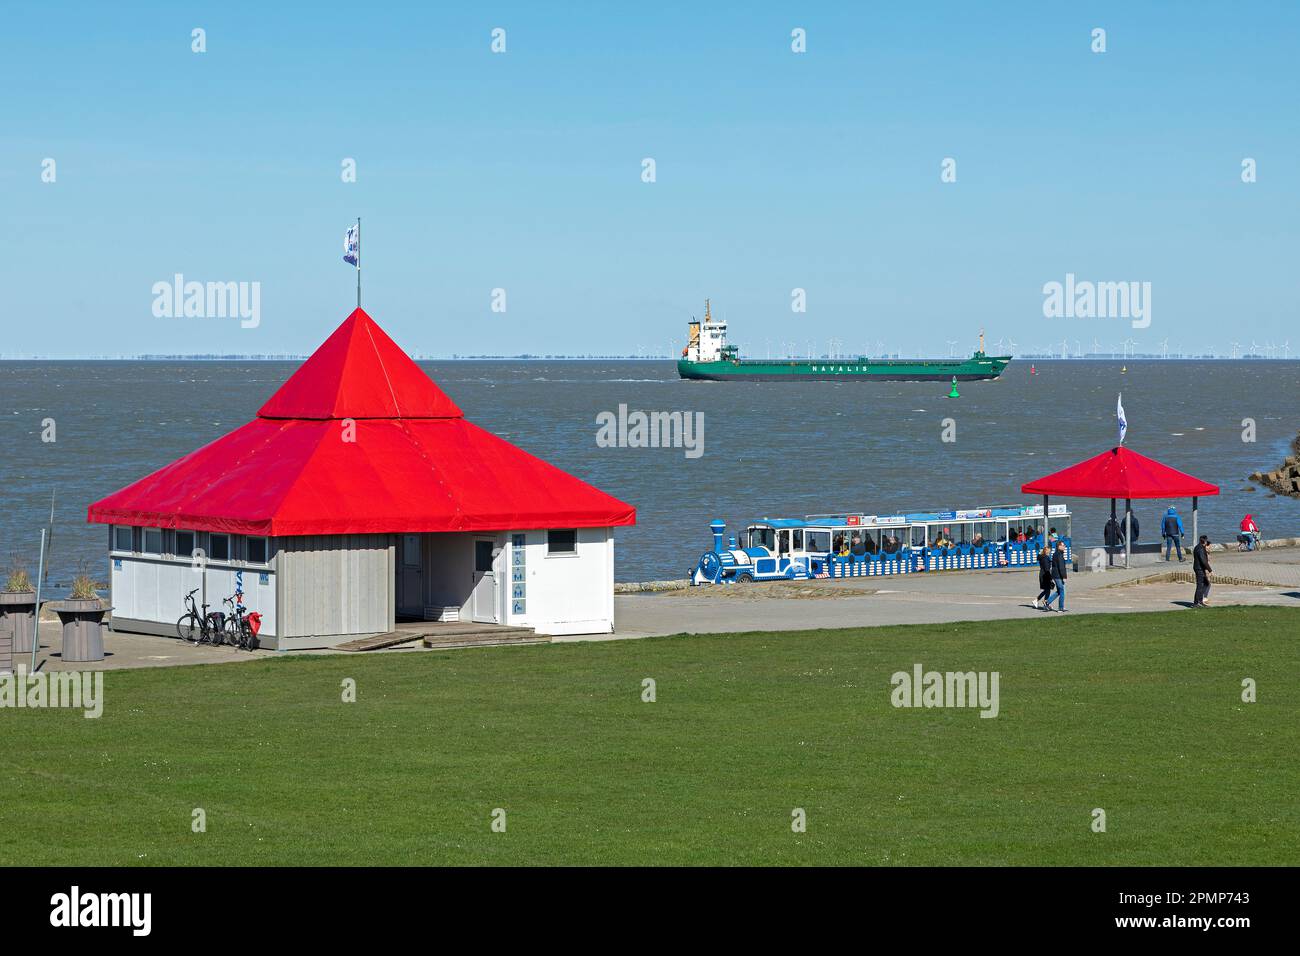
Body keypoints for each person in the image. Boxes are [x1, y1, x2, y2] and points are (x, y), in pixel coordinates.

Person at [1192, 535, 1213, 606]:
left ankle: (1200, 601)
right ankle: (1196, 603)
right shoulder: (1200, 549)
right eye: (1206, 540)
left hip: (1199, 568)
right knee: (1200, 585)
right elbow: (1203, 561)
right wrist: (1210, 570)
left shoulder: (1198, 547)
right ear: (1204, 541)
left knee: (1206, 583)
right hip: (1199, 569)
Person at [1050, 539, 1069, 611]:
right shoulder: (1059, 555)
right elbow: (1061, 567)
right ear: (1059, 546)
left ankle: (1047, 602)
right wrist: (1064, 576)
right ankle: (1061, 607)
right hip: (1058, 575)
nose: (1064, 546)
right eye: (1063, 545)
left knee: (1059, 591)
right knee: (1062, 591)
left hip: (1055, 575)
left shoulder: (1055, 554)